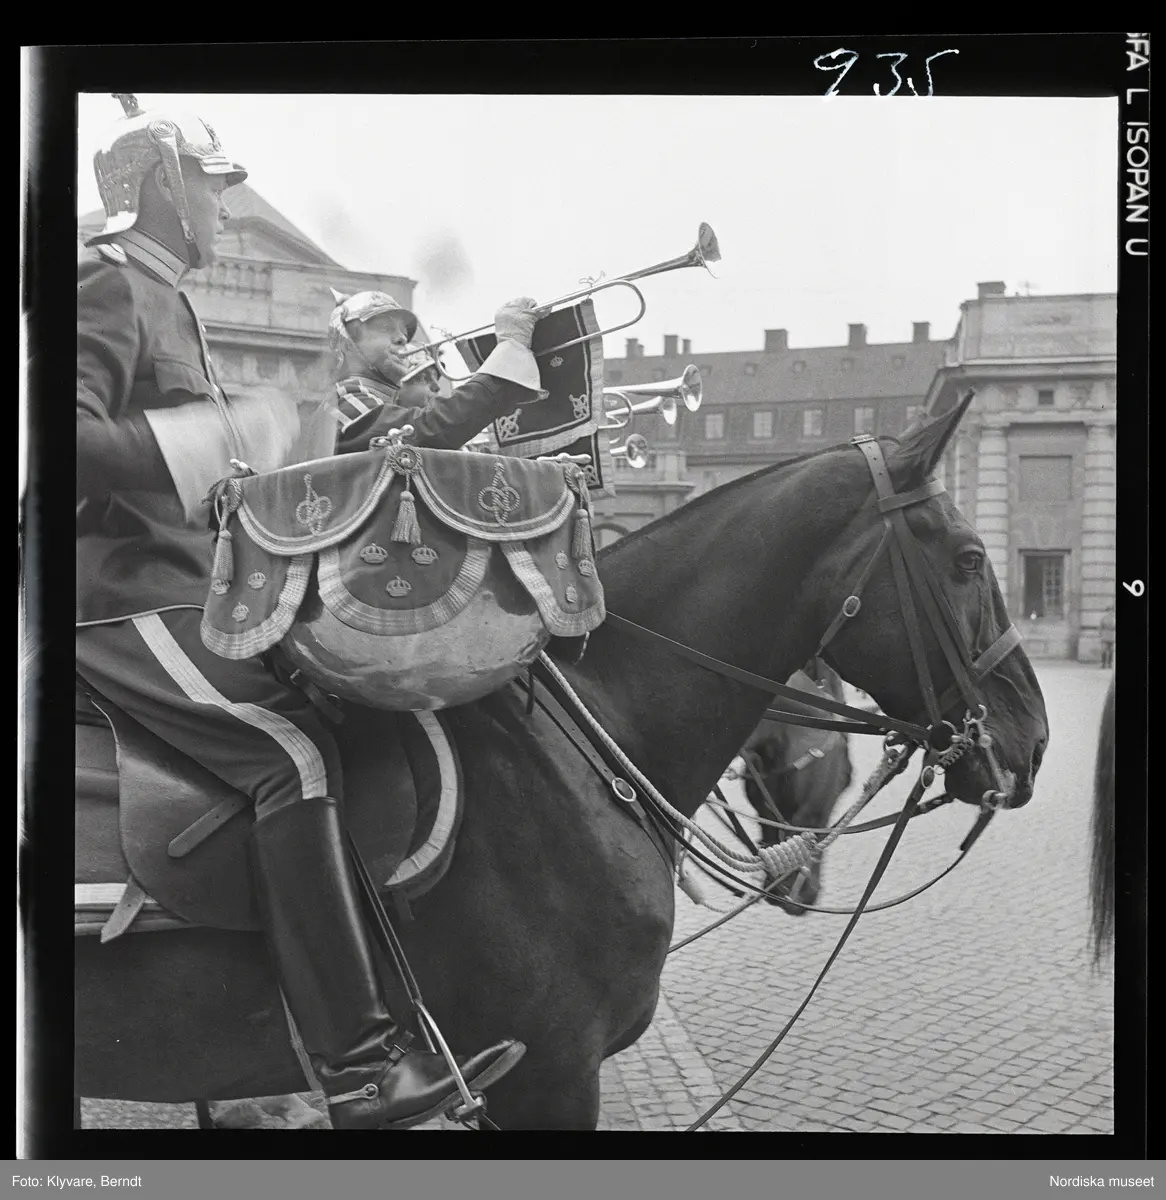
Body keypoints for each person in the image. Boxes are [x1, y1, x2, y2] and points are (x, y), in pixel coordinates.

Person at [75, 95, 537, 1130]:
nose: (222, 209)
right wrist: (200, 440)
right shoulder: (105, 283)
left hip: (176, 581)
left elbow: (178, 464)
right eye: (209, 185)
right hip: (110, 601)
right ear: (156, 185)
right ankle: (356, 1069)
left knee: (348, 716)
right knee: (291, 757)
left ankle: (380, 1006)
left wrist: (233, 464)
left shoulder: (167, 298)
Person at [1099, 604, 1116, 669]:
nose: (1110, 612)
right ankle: (1103, 664)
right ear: (1107, 611)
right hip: (1105, 635)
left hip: (1112, 636)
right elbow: (1100, 627)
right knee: (1103, 650)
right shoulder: (1104, 618)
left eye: (1111, 611)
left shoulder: (1114, 618)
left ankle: (1109, 664)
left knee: (1111, 651)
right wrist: (1100, 634)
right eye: (1108, 611)